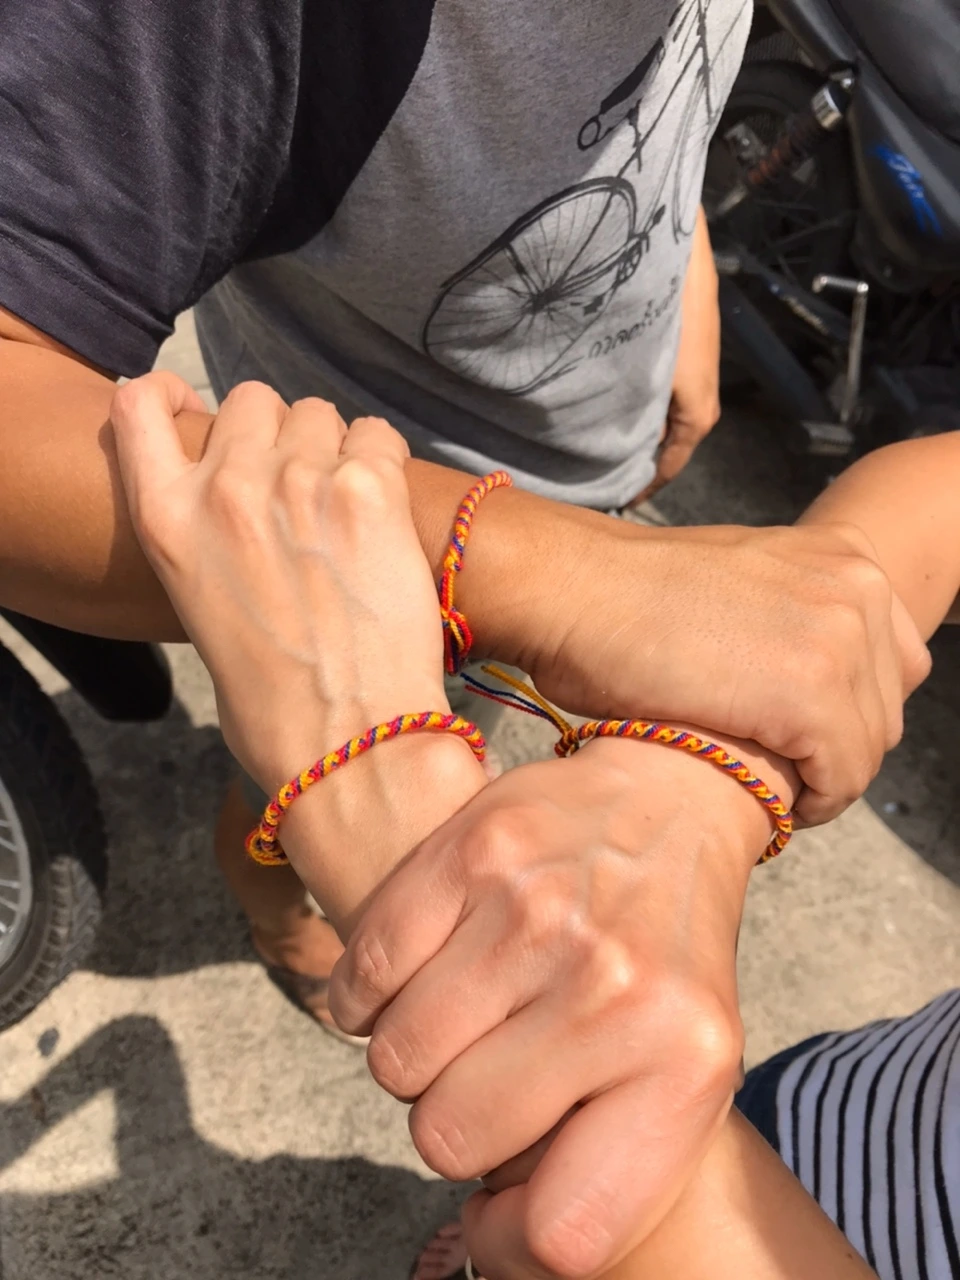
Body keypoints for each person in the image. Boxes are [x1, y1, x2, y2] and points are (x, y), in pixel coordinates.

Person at [0, 0, 929, 1271]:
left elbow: (649, 95)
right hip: (360, 539)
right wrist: (556, 584)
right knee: (276, 777)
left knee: (474, 703)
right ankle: (272, 900)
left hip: (574, 482)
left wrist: (684, 266)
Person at [110, 375, 951, 1278]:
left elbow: (602, 1207)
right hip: (834, 1105)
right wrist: (689, 785)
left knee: (534, 1185)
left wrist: (380, 794)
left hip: (664, 1216)